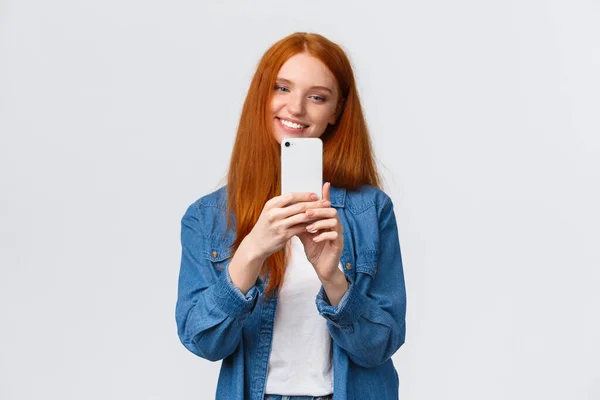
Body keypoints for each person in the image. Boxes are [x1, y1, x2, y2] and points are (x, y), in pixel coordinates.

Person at [175, 32, 407, 400]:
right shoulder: (208, 217)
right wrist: (251, 252)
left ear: (335, 112)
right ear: (261, 96)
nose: (296, 109)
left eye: (317, 97)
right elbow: (203, 341)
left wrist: (332, 277)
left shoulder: (370, 211)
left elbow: (380, 346)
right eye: (282, 88)